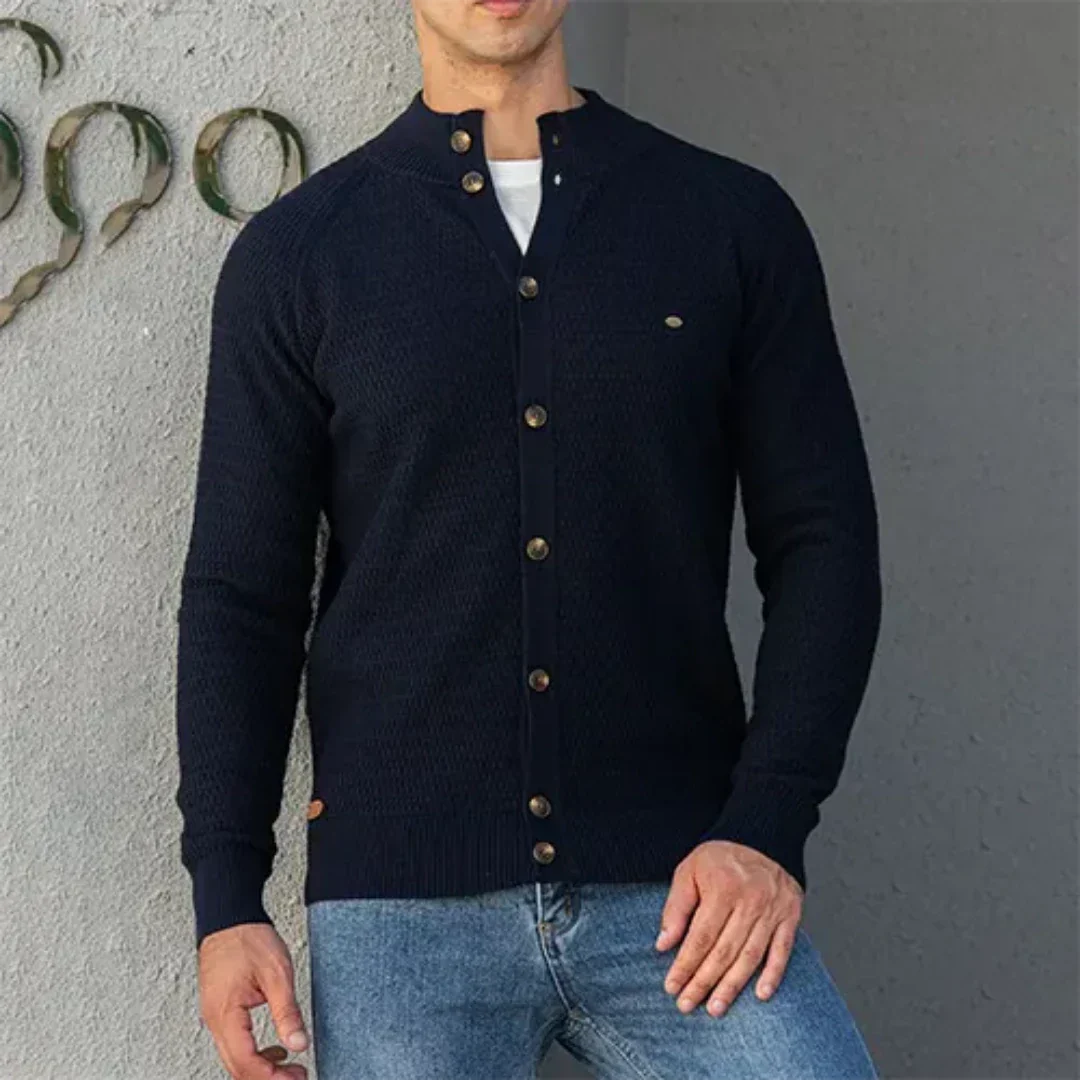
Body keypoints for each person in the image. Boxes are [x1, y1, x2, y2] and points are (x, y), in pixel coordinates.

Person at [174, 1, 884, 1077]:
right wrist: (227, 899)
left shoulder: (728, 221)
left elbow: (824, 542)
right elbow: (242, 597)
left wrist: (768, 824)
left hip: (686, 886)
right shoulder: (302, 255)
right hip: (400, 913)